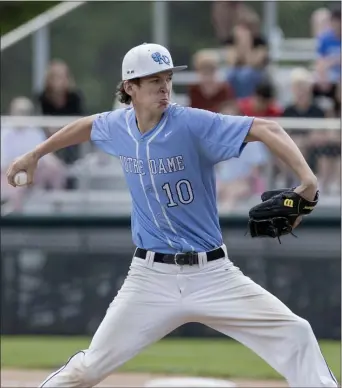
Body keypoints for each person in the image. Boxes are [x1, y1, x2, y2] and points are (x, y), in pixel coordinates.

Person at [6, 43, 337, 388]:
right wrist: (36, 153)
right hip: (149, 278)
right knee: (87, 369)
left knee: (297, 335)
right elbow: (87, 126)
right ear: (129, 88)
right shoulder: (118, 126)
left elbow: (268, 129)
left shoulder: (191, 123)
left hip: (214, 275)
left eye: (167, 79)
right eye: (154, 81)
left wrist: (308, 180)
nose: (165, 87)